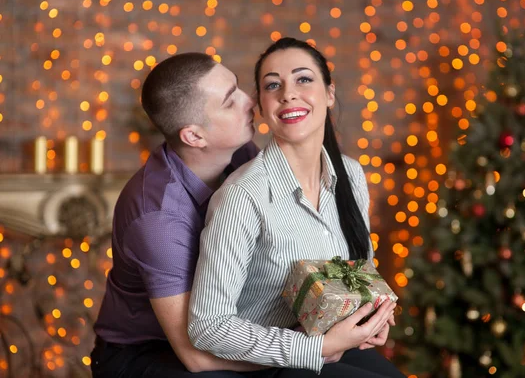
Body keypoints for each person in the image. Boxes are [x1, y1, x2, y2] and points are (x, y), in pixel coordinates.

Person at [188, 38, 406, 378]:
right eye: (273, 85)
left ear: (330, 94)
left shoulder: (350, 174)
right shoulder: (243, 195)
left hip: (336, 351)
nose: (288, 93)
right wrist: (315, 349)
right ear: (261, 105)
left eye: (303, 79)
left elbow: (360, 271)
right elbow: (207, 325)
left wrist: (370, 315)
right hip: (268, 365)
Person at [91, 52, 262, 377]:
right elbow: (197, 357)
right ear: (194, 136)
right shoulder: (157, 219)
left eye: (238, 88)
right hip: (146, 354)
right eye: (230, 101)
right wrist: (311, 351)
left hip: (228, 331)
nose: (249, 101)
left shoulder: (240, 153)